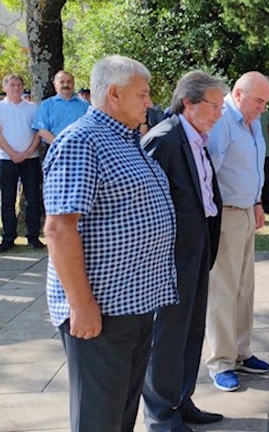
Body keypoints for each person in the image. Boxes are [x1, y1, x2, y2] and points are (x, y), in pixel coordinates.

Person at [43, 55, 178, 431]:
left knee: (120, 415)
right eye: (143, 94)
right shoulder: (82, 140)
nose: (150, 102)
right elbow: (59, 229)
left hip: (133, 304)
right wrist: (81, 305)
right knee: (98, 419)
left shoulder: (127, 139)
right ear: (115, 94)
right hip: (100, 311)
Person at [141, 71, 227, 430]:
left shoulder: (197, 138)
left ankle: (181, 399)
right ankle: (161, 414)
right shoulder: (164, 139)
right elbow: (146, 208)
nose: (219, 113)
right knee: (168, 335)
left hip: (198, 247)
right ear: (188, 103)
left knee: (192, 329)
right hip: (171, 255)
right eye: (214, 106)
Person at [205, 71, 269, 392]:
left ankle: (242, 352)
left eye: (265, 102)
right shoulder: (223, 122)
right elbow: (209, 172)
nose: (262, 107)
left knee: (246, 288)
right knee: (223, 291)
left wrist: (257, 201)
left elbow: (253, 166)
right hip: (225, 215)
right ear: (238, 93)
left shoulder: (252, 120)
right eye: (259, 100)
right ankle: (221, 361)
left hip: (246, 211)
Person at [0, 75, 43, 251]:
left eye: (19, 84)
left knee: (33, 198)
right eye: (12, 84)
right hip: (6, 158)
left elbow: (38, 133)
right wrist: (12, 153)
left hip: (30, 159)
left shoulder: (33, 108)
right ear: (5, 87)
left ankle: (33, 236)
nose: (16, 88)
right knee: (7, 199)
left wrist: (27, 152)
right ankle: (9, 237)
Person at [32, 70, 90, 145]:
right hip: (55, 149)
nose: (66, 85)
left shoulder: (85, 105)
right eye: (62, 82)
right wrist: (61, 145)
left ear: (73, 84)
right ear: (55, 84)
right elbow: (42, 130)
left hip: (81, 148)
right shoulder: (46, 105)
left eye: (69, 82)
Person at [259, 110, 269, 213]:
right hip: (250, 154)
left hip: (265, 153)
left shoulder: (265, 113)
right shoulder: (244, 112)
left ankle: (266, 205)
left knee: (265, 179)